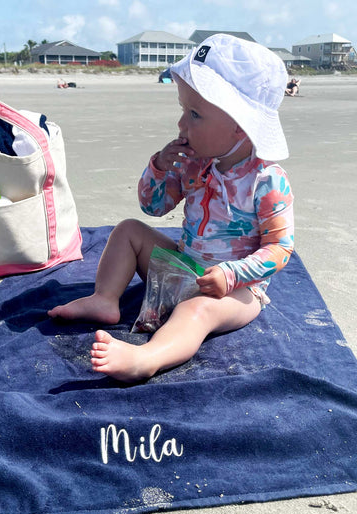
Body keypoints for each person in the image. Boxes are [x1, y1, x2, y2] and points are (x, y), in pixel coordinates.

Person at [48, 34, 295, 383]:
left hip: (236, 290)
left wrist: (232, 275)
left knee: (198, 309)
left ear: (241, 124)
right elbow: (154, 206)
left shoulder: (267, 180)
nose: (182, 125)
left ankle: (148, 356)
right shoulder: (196, 163)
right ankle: (105, 298)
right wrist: (161, 168)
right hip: (185, 265)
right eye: (183, 110)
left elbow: (280, 247)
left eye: (194, 114)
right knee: (128, 230)